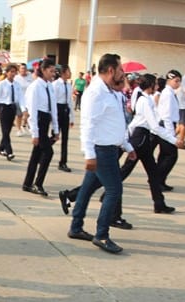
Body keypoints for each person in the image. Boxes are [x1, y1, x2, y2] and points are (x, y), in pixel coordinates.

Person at [68, 53, 136, 254]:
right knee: (114, 191)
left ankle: (76, 226)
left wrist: (127, 146)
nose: (123, 74)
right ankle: (102, 235)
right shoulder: (95, 92)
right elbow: (88, 125)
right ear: (110, 70)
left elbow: (115, 123)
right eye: (121, 70)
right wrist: (89, 154)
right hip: (101, 150)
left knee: (87, 189)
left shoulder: (110, 91)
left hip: (110, 148)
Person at [127, 73, 183, 213]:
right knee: (124, 170)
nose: (158, 86)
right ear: (151, 85)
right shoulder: (144, 101)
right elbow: (155, 126)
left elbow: (135, 123)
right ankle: (77, 193)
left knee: (153, 174)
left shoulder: (147, 99)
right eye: (156, 84)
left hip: (143, 138)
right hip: (141, 139)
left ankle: (159, 203)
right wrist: (174, 140)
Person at [22, 59, 59, 196]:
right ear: (43, 70)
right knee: (48, 153)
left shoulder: (50, 86)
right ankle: (38, 183)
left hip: (46, 120)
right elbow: (32, 110)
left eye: (54, 70)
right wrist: (34, 133)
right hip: (38, 120)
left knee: (36, 154)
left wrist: (56, 129)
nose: (53, 73)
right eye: (50, 70)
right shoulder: (35, 86)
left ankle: (27, 183)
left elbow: (53, 109)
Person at [156, 69, 182, 191]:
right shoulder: (167, 94)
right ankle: (157, 179)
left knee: (164, 155)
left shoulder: (170, 93)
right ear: (169, 80)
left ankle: (160, 180)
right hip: (166, 125)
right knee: (171, 155)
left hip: (168, 124)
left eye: (179, 81)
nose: (178, 84)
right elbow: (166, 115)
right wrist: (171, 135)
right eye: (176, 81)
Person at [0, 63, 22, 161]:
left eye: (15, 72)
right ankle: (9, 152)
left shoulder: (17, 85)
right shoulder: (2, 84)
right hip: (4, 107)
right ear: (7, 73)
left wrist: (23, 109)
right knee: (5, 131)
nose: (13, 74)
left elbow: (20, 98)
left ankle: (1, 148)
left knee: (8, 130)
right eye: (11, 72)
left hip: (12, 107)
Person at [53, 64, 75, 172]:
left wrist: (72, 118)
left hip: (65, 111)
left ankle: (63, 162)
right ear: (63, 73)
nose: (70, 73)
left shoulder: (69, 85)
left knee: (65, 139)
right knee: (54, 136)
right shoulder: (56, 85)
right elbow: (53, 101)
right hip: (57, 110)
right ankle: (42, 153)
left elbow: (70, 102)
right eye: (68, 71)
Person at [14, 63, 33, 136]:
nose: (23, 70)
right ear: (19, 70)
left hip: (28, 99)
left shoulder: (30, 77)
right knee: (19, 115)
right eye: (22, 68)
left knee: (28, 114)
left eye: (24, 68)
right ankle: (18, 129)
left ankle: (24, 125)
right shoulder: (16, 78)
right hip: (19, 99)